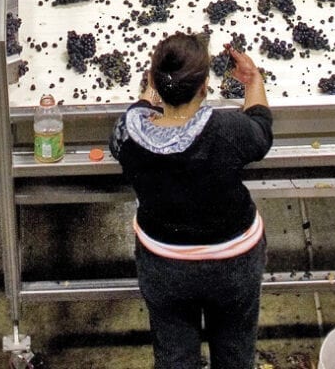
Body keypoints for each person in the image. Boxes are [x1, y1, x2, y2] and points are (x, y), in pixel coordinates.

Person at [111, 34, 272, 369]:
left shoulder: (127, 134)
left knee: (173, 357)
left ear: (153, 81)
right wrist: (253, 81)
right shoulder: (228, 130)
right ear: (204, 87)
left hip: (164, 265)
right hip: (234, 263)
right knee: (235, 353)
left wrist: (151, 88)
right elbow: (261, 127)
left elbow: (138, 112)